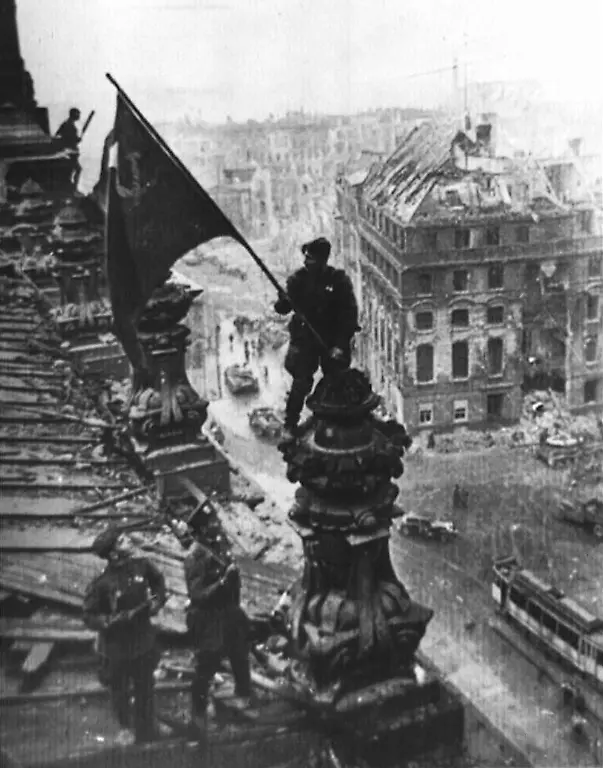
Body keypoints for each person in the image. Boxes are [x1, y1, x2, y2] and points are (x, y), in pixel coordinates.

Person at [82, 527, 167, 745]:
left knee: (145, 687)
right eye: (121, 541)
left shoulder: (142, 565)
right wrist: (108, 622)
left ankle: (148, 728)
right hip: (117, 647)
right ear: (113, 553)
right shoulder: (102, 584)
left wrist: (157, 603)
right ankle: (125, 728)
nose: (128, 540)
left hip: (143, 641)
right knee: (119, 690)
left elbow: (158, 581)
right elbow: (89, 615)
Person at [274, 237, 359, 433]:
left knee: (337, 381)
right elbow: (283, 309)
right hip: (306, 339)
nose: (306, 262)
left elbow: (348, 313)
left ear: (322, 260)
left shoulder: (338, 280)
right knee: (301, 382)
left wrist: (339, 344)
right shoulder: (297, 280)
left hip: (331, 339)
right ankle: (290, 423)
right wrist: (283, 300)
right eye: (306, 258)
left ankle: (340, 423)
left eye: (311, 259)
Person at [184, 513, 252, 735]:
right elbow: (197, 595)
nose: (218, 524)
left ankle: (244, 698)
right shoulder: (196, 556)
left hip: (230, 613)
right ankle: (199, 713)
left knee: (241, 656)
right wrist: (222, 585)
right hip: (209, 619)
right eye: (212, 523)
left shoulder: (220, 544)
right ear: (202, 530)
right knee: (207, 665)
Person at [55, 108, 82, 189]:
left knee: (71, 170)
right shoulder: (69, 125)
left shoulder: (66, 124)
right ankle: (74, 187)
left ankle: (70, 185)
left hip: (69, 151)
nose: (79, 116)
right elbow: (63, 137)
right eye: (78, 114)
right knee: (77, 169)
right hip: (70, 151)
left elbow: (58, 135)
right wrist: (75, 139)